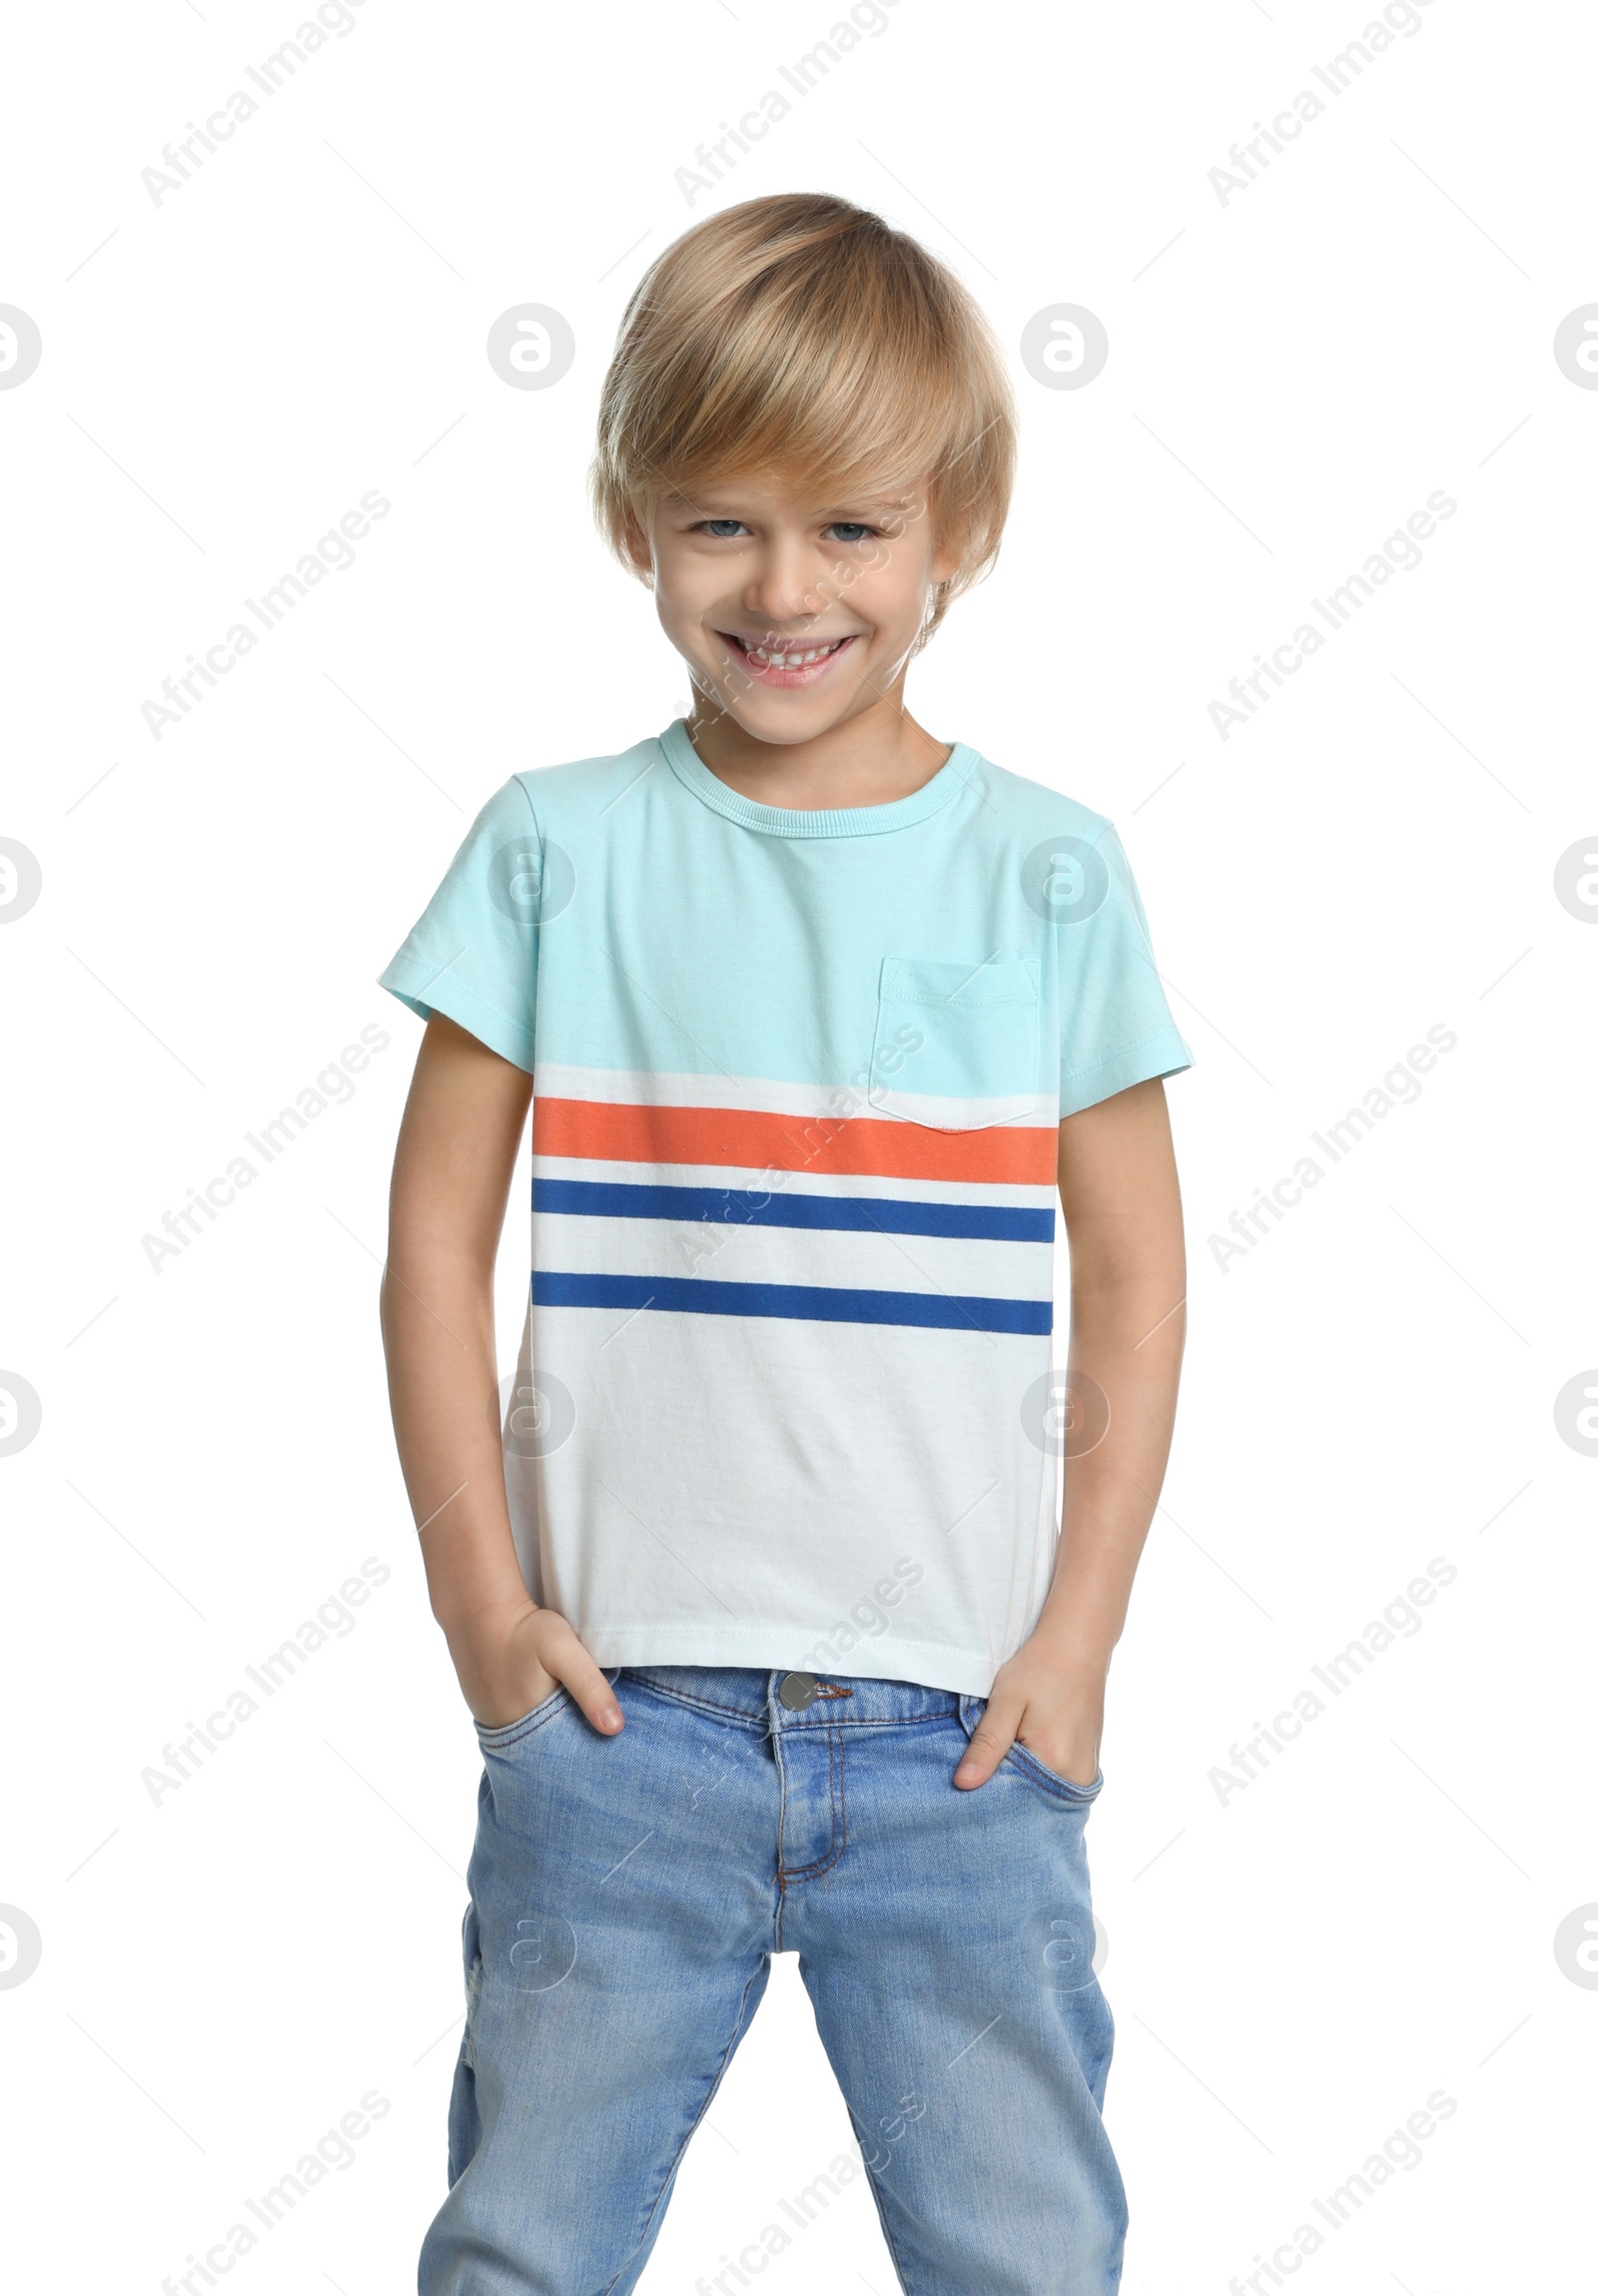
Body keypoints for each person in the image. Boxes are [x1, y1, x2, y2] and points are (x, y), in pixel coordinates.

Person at [379, 191, 1192, 2296]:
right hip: (617, 1733)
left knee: (1022, 2261)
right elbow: (427, 1247)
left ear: (956, 529)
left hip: (959, 1740)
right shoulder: (553, 847)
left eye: (847, 526)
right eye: (717, 522)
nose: (782, 585)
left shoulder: (1048, 872)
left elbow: (1133, 1275)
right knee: (517, 2254)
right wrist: (488, 1617)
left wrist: (1076, 1634)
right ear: (634, 521)